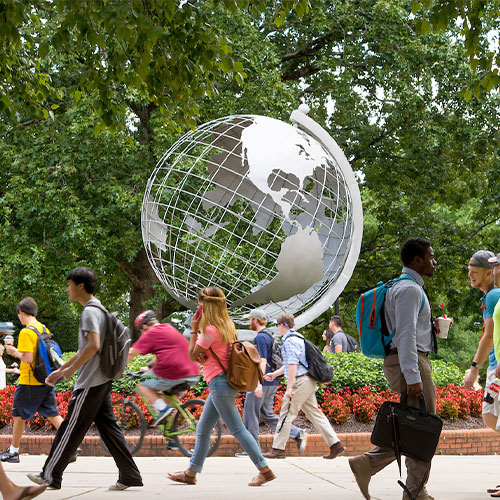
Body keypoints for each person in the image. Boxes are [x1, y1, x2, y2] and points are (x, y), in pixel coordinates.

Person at [27, 267, 142, 491]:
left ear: (80, 286)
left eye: (69, 285)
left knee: (70, 428)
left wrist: (70, 371)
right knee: (109, 429)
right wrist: (63, 370)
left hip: (91, 382)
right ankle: (129, 475)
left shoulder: (90, 311)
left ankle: (50, 475)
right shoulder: (98, 309)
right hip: (101, 379)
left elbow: (93, 346)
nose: (67, 289)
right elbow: (84, 350)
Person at [349, 237, 440, 500]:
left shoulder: (404, 287)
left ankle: (413, 489)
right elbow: (405, 336)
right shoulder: (409, 290)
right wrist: (413, 376)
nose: (434, 262)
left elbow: (409, 330)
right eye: (431, 257)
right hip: (408, 362)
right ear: (417, 260)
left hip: (406, 359)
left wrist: (432, 329)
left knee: (415, 426)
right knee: (423, 427)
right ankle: (409, 490)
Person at [167, 286, 276, 487]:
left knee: (237, 430)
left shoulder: (208, 330)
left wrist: (193, 328)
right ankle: (191, 473)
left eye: (200, 305)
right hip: (226, 382)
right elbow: (211, 354)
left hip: (219, 384)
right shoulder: (228, 326)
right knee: (203, 428)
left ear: (206, 306)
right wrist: (203, 354)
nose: (197, 309)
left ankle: (264, 469)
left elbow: (192, 354)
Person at [263, 312, 344, 460]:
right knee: (315, 414)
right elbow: (290, 364)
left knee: (286, 413)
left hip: (300, 382)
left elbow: (293, 365)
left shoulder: (289, 341)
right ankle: (335, 444)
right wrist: (275, 374)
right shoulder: (297, 337)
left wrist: (289, 387)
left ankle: (278, 449)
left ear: (283, 325)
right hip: (307, 381)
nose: (277, 327)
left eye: (277, 324)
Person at [235, 308, 306, 457]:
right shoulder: (270, 335)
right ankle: (297, 433)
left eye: (250, 319)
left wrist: (258, 382)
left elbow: (262, 360)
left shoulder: (261, 337)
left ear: (255, 319)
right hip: (272, 381)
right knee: (266, 414)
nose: (249, 322)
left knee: (250, 412)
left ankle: (252, 449)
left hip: (264, 380)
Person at [1, 298, 64, 464]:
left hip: (30, 382)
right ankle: (71, 444)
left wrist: (15, 353)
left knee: (18, 415)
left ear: (21, 313)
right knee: (53, 414)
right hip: (46, 379)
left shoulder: (26, 332)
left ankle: (13, 452)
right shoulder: (43, 328)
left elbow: (28, 359)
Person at [128, 310, 200, 425]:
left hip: (174, 373)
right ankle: (172, 440)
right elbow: (162, 356)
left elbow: (131, 353)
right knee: (168, 407)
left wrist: (118, 369)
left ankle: (162, 409)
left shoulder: (151, 333)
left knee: (140, 382)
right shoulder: (168, 328)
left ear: (145, 326)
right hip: (193, 372)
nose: (142, 334)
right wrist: (149, 367)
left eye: (141, 331)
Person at [463, 250, 500, 435]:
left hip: (497, 367)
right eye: (469, 270)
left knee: (490, 416)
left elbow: (489, 335)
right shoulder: (491, 296)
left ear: (489, 272)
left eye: (475, 271)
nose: (470, 275)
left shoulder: (494, 295)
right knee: (490, 416)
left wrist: (474, 369)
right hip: (495, 366)